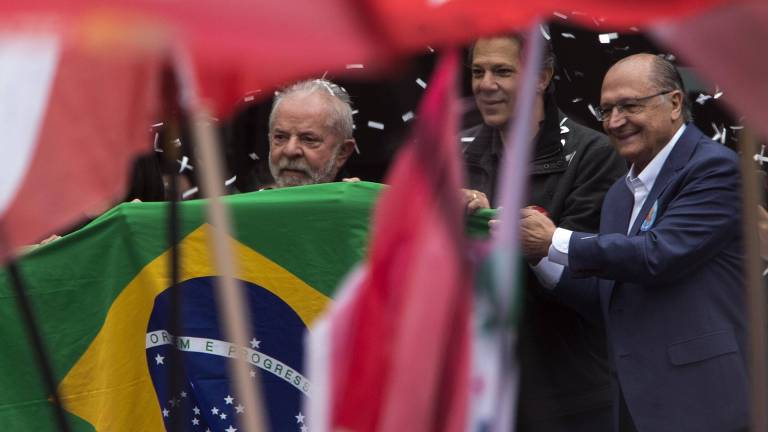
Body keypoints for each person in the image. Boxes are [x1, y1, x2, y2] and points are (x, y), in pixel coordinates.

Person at [520, 53, 748, 432]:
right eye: (606, 110)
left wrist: (555, 239)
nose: (614, 122)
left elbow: (658, 254)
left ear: (675, 103)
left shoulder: (714, 168)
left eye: (629, 106)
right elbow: (609, 299)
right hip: (634, 405)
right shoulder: (619, 196)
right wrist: (538, 254)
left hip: (703, 404)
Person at [462, 34, 627, 431]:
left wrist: (492, 225)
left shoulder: (594, 154)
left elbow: (591, 279)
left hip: (568, 396)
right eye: (478, 72)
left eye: (502, 71)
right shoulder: (454, 152)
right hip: (479, 392)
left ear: (542, 77)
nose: (486, 84)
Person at [268, 79, 356, 188]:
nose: (290, 150)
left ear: (342, 152)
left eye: (308, 139)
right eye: (280, 137)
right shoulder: (253, 202)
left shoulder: (369, 204)